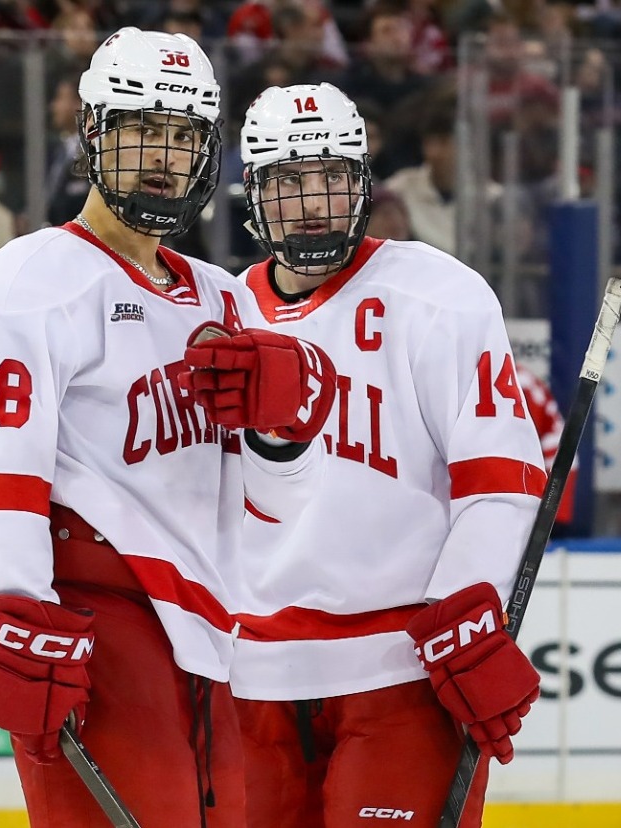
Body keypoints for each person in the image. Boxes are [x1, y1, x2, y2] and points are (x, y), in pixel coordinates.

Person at [0, 28, 337, 827]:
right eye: (143, 128)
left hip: (212, 634)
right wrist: (16, 609)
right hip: (96, 622)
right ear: (93, 133)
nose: (165, 152)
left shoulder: (227, 298)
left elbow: (271, 502)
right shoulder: (34, 276)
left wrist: (283, 439)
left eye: (185, 135)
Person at [228, 82, 542, 826]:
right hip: (245, 676)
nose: (313, 200)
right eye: (289, 180)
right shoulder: (218, 314)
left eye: (332, 176)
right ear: (254, 191)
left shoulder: (438, 294)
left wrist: (465, 608)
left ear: (362, 183)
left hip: (402, 668)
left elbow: (500, 480)